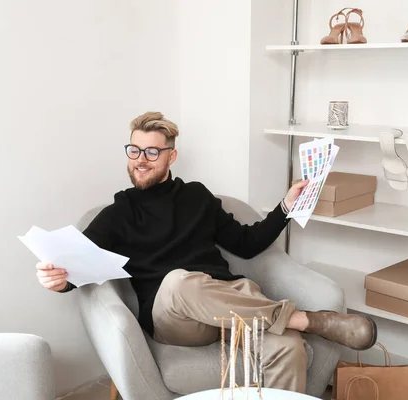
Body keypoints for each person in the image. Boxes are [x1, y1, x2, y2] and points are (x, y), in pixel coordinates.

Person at [35, 111, 376, 393]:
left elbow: (247, 243)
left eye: (152, 152)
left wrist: (285, 206)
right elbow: (80, 259)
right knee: (180, 282)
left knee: (289, 348)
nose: (140, 160)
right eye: (134, 150)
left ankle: (287, 326)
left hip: (230, 305)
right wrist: (58, 279)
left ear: (171, 155)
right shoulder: (119, 212)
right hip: (177, 318)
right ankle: (303, 319)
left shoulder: (197, 196)